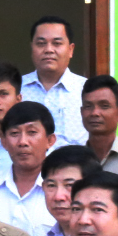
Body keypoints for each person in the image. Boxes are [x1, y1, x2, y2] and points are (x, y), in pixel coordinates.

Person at [0, 102, 58, 235]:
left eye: (32, 132)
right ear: (4, 142)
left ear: (50, 140)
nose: (23, 142)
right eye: (15, 133)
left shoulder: (63, 192)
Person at [21, 16, 87, 146]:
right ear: (32, 48)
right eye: (41, 44)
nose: (49, 50)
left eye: (57, 43)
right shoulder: (16, 89)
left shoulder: (86, 90)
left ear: (70, 49)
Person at [79, 75, 118, 178]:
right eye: (88, 106)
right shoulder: (71, 161)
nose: (95, 113)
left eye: (104, 106)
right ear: (81, 112)